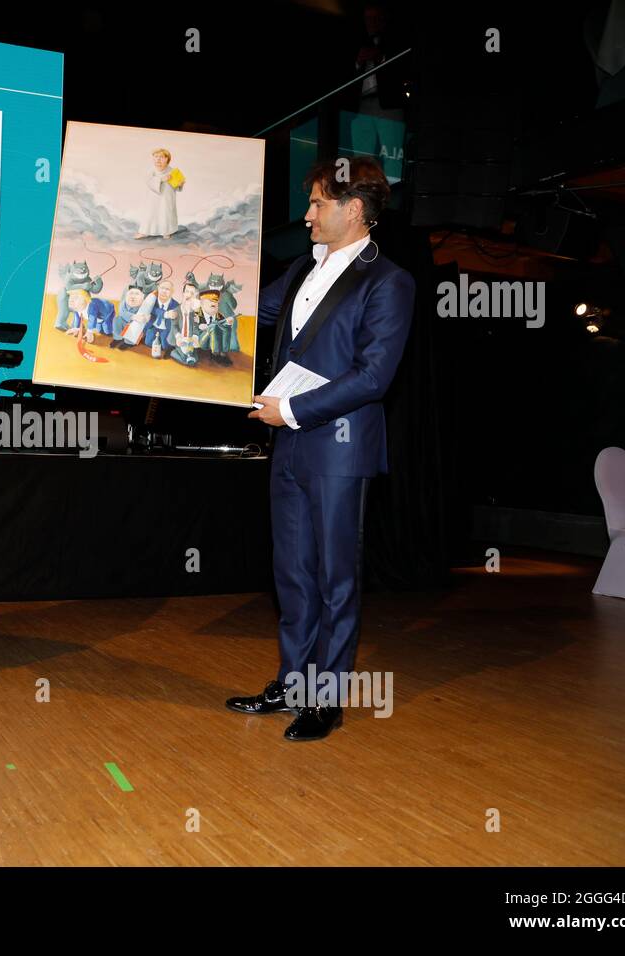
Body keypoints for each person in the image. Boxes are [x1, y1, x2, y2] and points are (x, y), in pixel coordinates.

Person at [227, 157, 413, 741]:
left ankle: (326, 699)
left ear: (354, 210)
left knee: (336, 580)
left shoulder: (389, 281)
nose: (306, 214)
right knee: (293, 575)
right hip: (289, 446)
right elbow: (251, 310)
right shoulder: (302, 270)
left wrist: (293, 411)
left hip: (338, 447)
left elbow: (374, 376)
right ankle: (291, 682)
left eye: (316, 204)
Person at [135, 148, 182, 240]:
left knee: (166, 213)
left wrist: (180, 184)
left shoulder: (173, 171)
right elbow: (148, 182)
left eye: (161, 157)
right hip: (153, 198)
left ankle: (166, 231)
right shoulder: (151, 171)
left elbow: (177, 187)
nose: (158, 159)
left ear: (167, 159)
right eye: (156, 157)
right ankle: (144, 232)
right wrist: (161, 180)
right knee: (150, 213)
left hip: (167, 198)